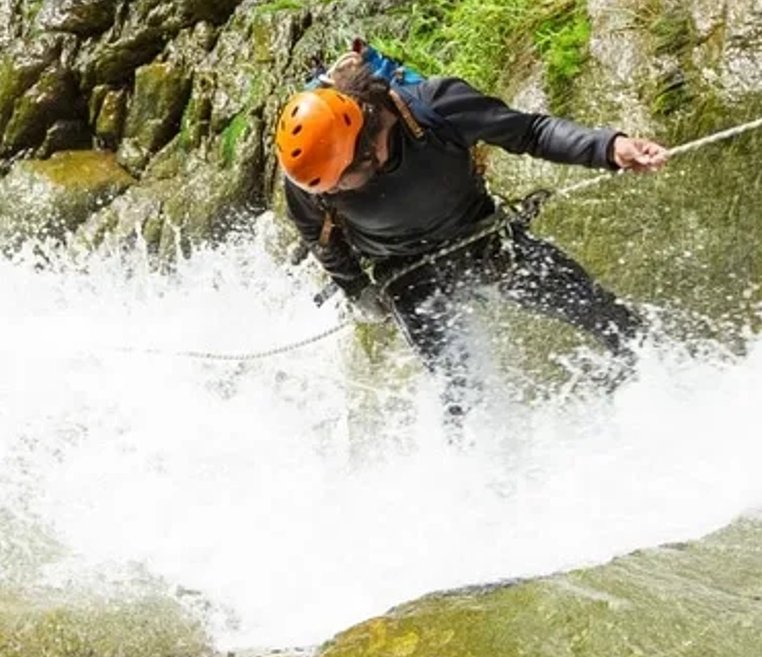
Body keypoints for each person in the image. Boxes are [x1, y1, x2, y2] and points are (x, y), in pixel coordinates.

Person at [276, 43, 668, 418]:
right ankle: (477, 473)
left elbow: (531, 132)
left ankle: (660, 389)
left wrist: (608, 147)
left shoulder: (437, 107)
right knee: (461, 394)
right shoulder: (312, 176)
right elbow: (319, 236)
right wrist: (357, 289)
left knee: (605, 315)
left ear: (369, 147)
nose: (335, 191)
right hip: (406, 275)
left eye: (343, 182)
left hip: (482, 238)